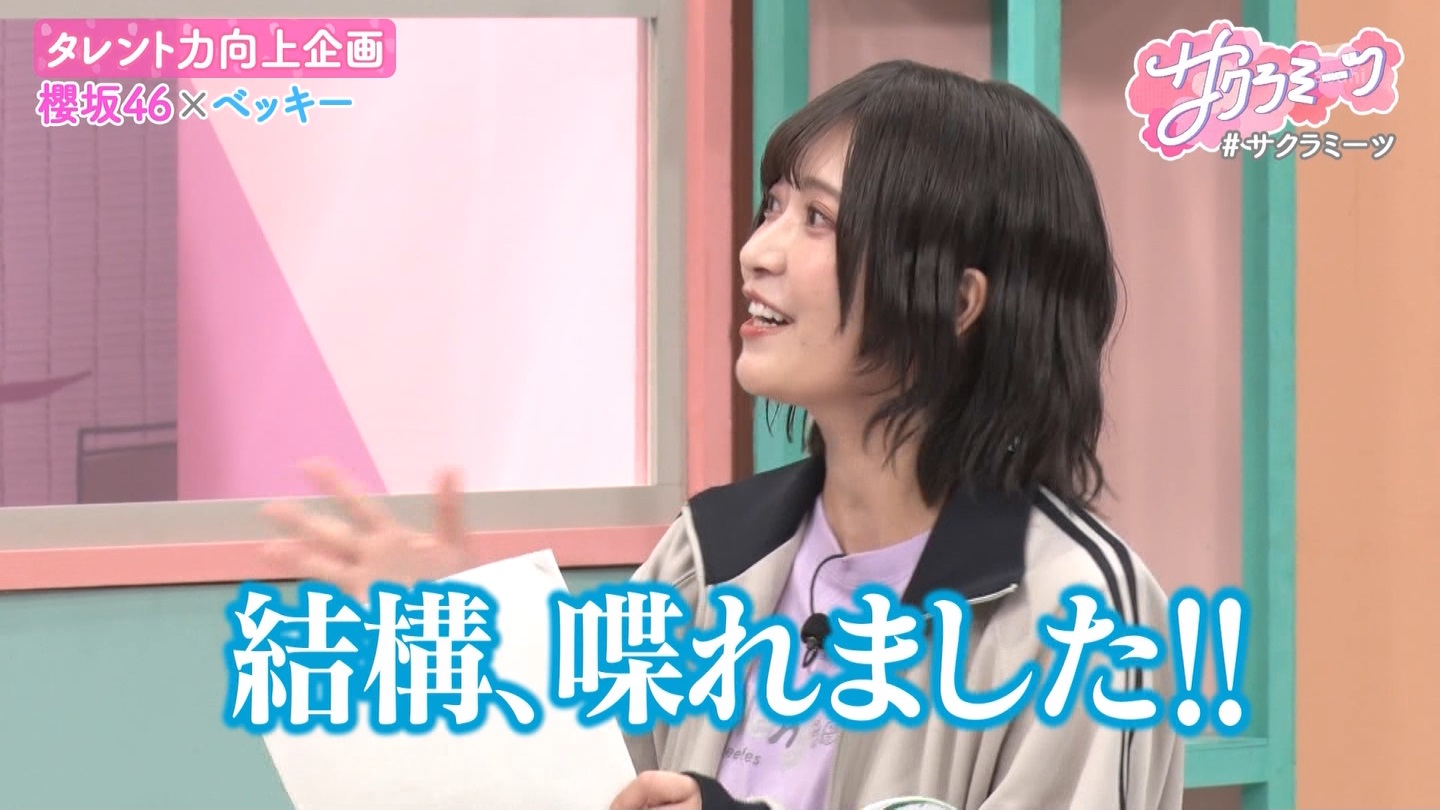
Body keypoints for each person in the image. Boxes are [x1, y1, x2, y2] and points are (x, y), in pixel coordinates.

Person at [263, 60, 1184, 810]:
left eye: (818, 219)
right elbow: (596, 790)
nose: (757, 252)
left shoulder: (1075, 611)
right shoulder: (708, 557)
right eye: (771, 206)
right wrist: (477, 647)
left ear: (956, 300)